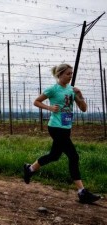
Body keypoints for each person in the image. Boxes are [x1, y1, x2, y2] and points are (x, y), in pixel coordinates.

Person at [23, 63, 101, 204]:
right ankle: (82, 192)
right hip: (55, 127)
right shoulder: (53, 89)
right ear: (59, 75)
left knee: (54, 156)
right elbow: (36, 101)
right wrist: (50, 107)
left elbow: (83, 109)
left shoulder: (72, 90)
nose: (70, 76)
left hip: (66, 127)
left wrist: (80, 95)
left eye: (71, 74)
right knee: (73, 156)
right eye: (68, 74)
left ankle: (30, 169)